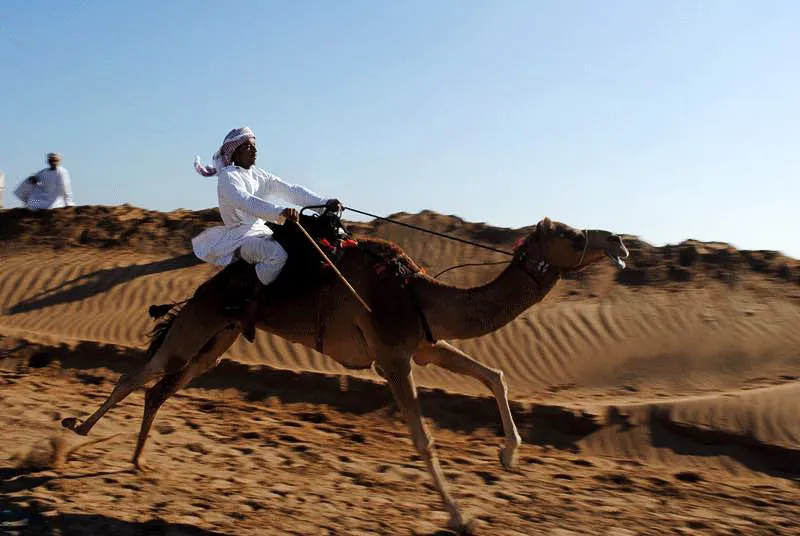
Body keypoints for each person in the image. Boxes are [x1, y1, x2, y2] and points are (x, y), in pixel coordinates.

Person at [191, 127, 342, 315]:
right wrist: (280, 211)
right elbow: (245, 202)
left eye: (255, 146)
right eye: (248, 147)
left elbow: (290, 190)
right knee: (277, 255)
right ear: (236, 152)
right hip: (240, 237)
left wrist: (323, 203)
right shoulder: (228, 177)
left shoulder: (259, 175)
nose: (255, 151)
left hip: (262, 230)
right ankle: (249, 302)